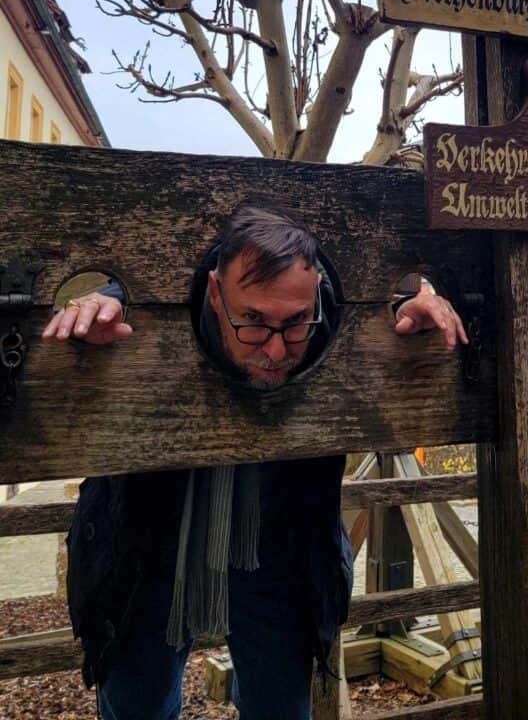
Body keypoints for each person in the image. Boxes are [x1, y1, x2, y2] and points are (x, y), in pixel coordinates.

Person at [42, 204, 466, 720]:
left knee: (282, 707)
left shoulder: (333, 314)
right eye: (253, 321)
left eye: (294, 323)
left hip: (281, 547)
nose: (274, 348)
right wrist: (104, 302)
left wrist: (414, 303)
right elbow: (133, 293)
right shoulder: (143, 312)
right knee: (137, 704)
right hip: (144, 543)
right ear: (217, 293)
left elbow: (370, 309)